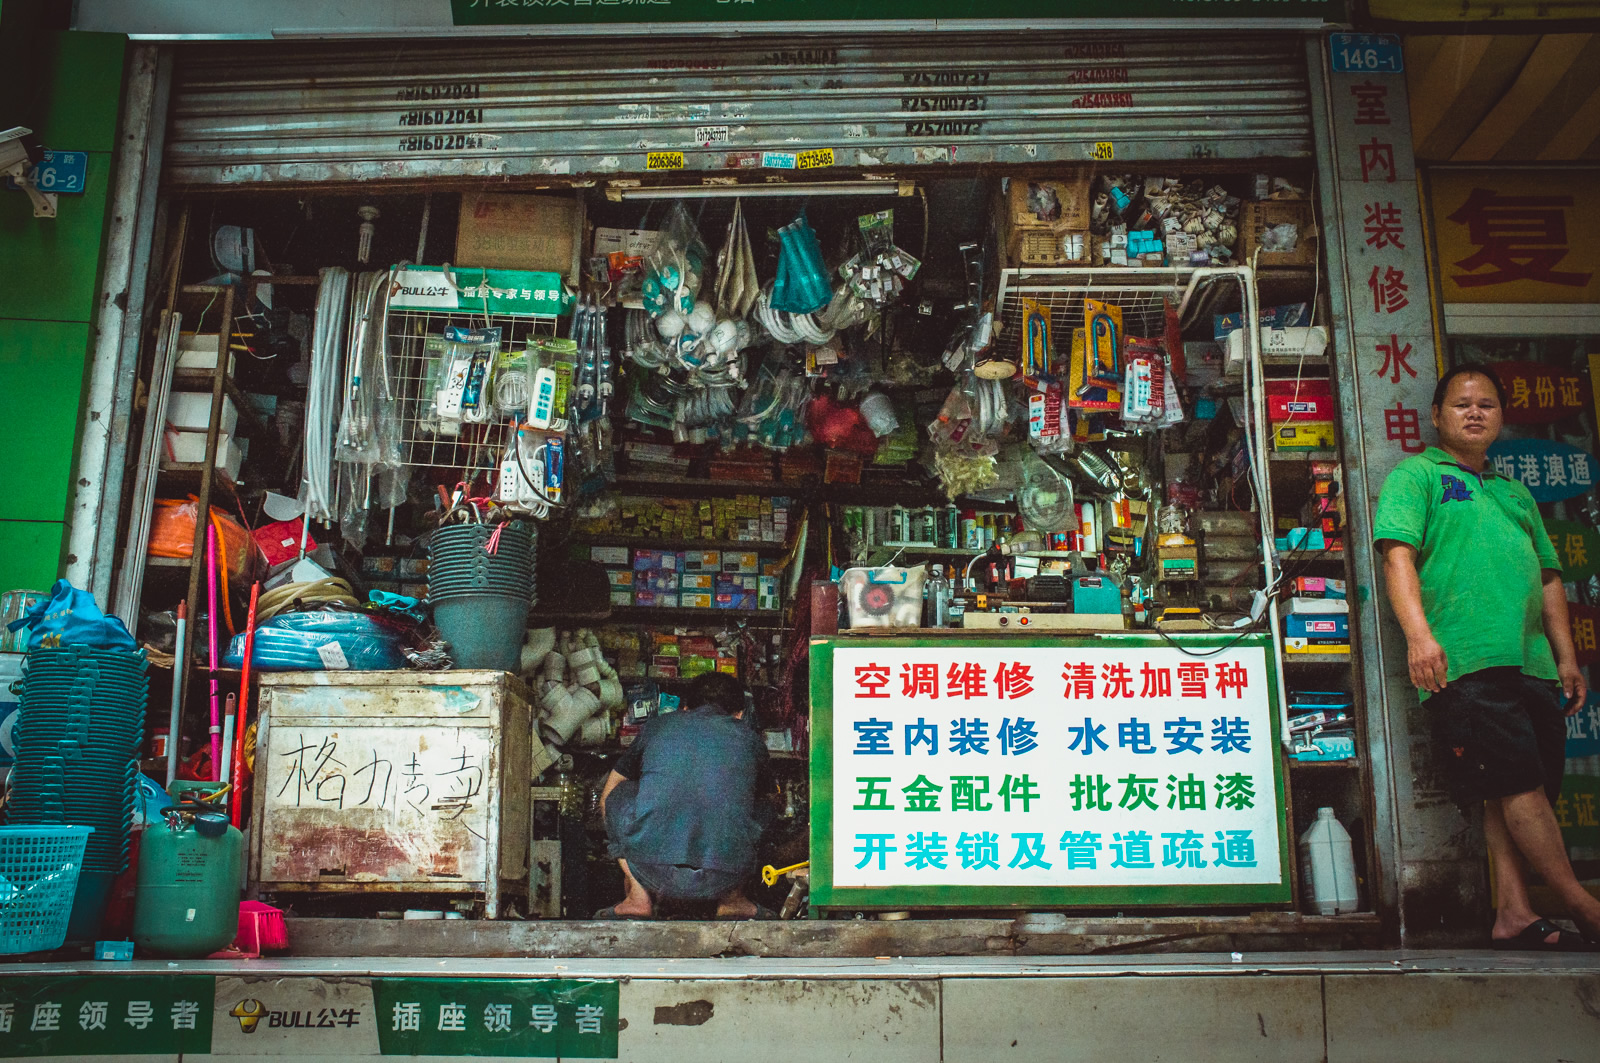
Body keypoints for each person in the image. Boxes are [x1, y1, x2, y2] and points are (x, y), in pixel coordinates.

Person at [1375, 363, 1600, 950]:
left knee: (1515, 788)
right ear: (1436, 416)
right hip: (1465, 660)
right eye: (1461, 404)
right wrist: (1420, 638)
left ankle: (1514, 914)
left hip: (1530, 662)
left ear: (1501, 417)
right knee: (1518, 782)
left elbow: (1549, 579)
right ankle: (1583, 904)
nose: (1475, 413)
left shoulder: (1514, 493)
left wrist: (1566, 659)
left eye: (1487, 405)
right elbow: (1398, 560)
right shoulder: (1417, 476)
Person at [597, 671, 771, 919]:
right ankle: (733, 900)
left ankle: (638, 897)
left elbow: (609, 792)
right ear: (739, 715)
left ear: (686, 709)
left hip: (650, 870)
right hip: (726, 875)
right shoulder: (750, 739)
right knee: (763, 805)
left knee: (620, 793)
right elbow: (764, 801)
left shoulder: (657, 727)